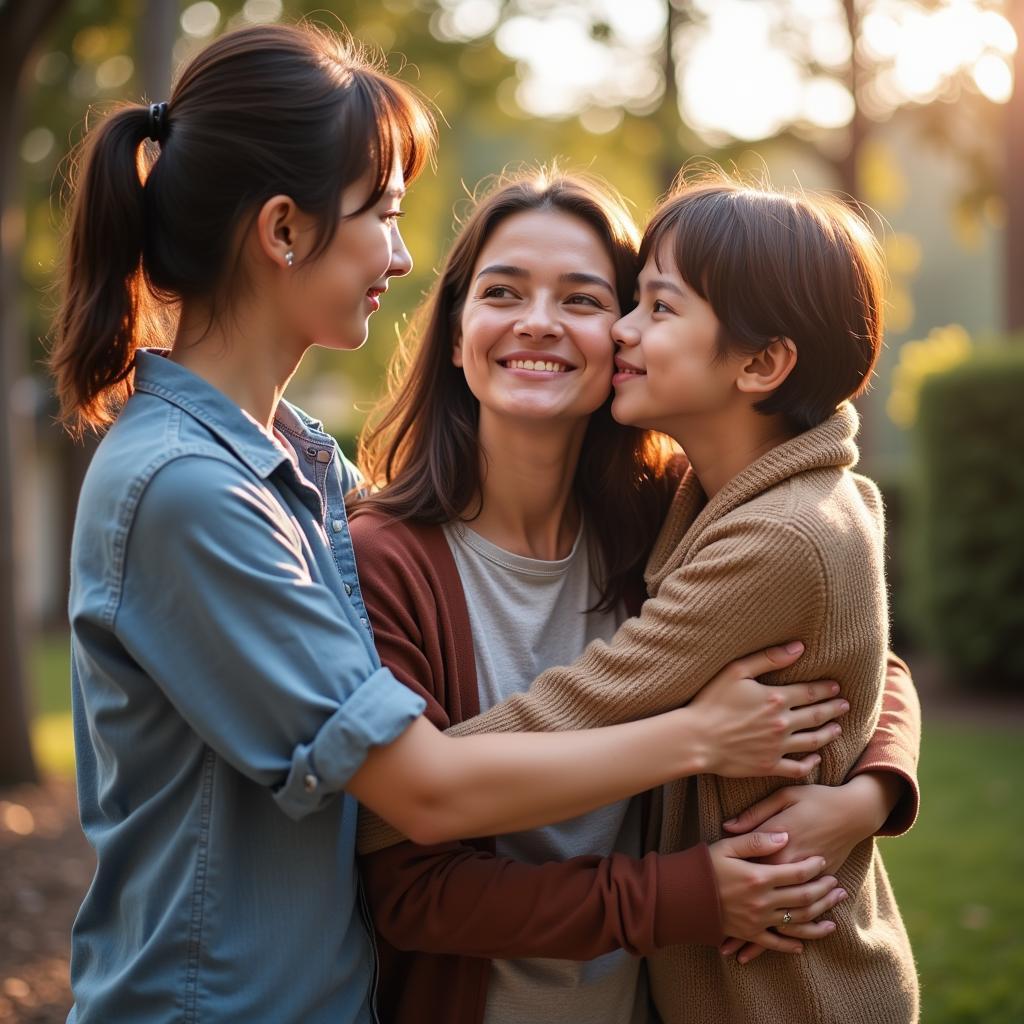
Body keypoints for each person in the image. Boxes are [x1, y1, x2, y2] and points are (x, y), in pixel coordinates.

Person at [50, 27, 846, 1024]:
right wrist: (695, 738)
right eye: (380, 214)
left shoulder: (293, 463)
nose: (401, 251)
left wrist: (864, 794)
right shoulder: (186, 492)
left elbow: (811, 601)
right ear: (284, 231)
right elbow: (422, 793)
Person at [352, 170, 920, 1024]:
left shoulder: (667, 515)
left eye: (588, 300)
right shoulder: (384, 562)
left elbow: (859, 657)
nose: (540, 323)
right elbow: (410, 883)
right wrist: (690, 784)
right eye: (502, 292)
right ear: (457, 324)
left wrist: (858, 801)